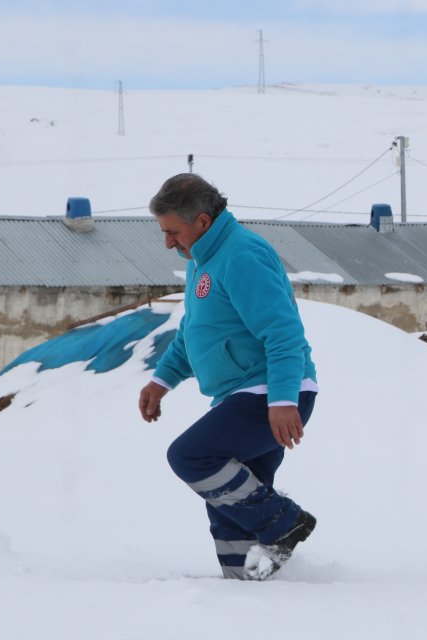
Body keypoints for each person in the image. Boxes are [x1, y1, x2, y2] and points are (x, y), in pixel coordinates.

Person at [137, 173, 320, 580]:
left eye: (173, 232)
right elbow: (196, 332)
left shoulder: (242, 256)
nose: (168, 242)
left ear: (201, 222)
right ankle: (243, 583)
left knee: (193, 456)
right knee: (227, 499)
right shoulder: (202, 260)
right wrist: (162, 380)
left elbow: (283, 331)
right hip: (248, 393)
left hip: (270, 392)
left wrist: (283, 399)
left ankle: (285, 523)